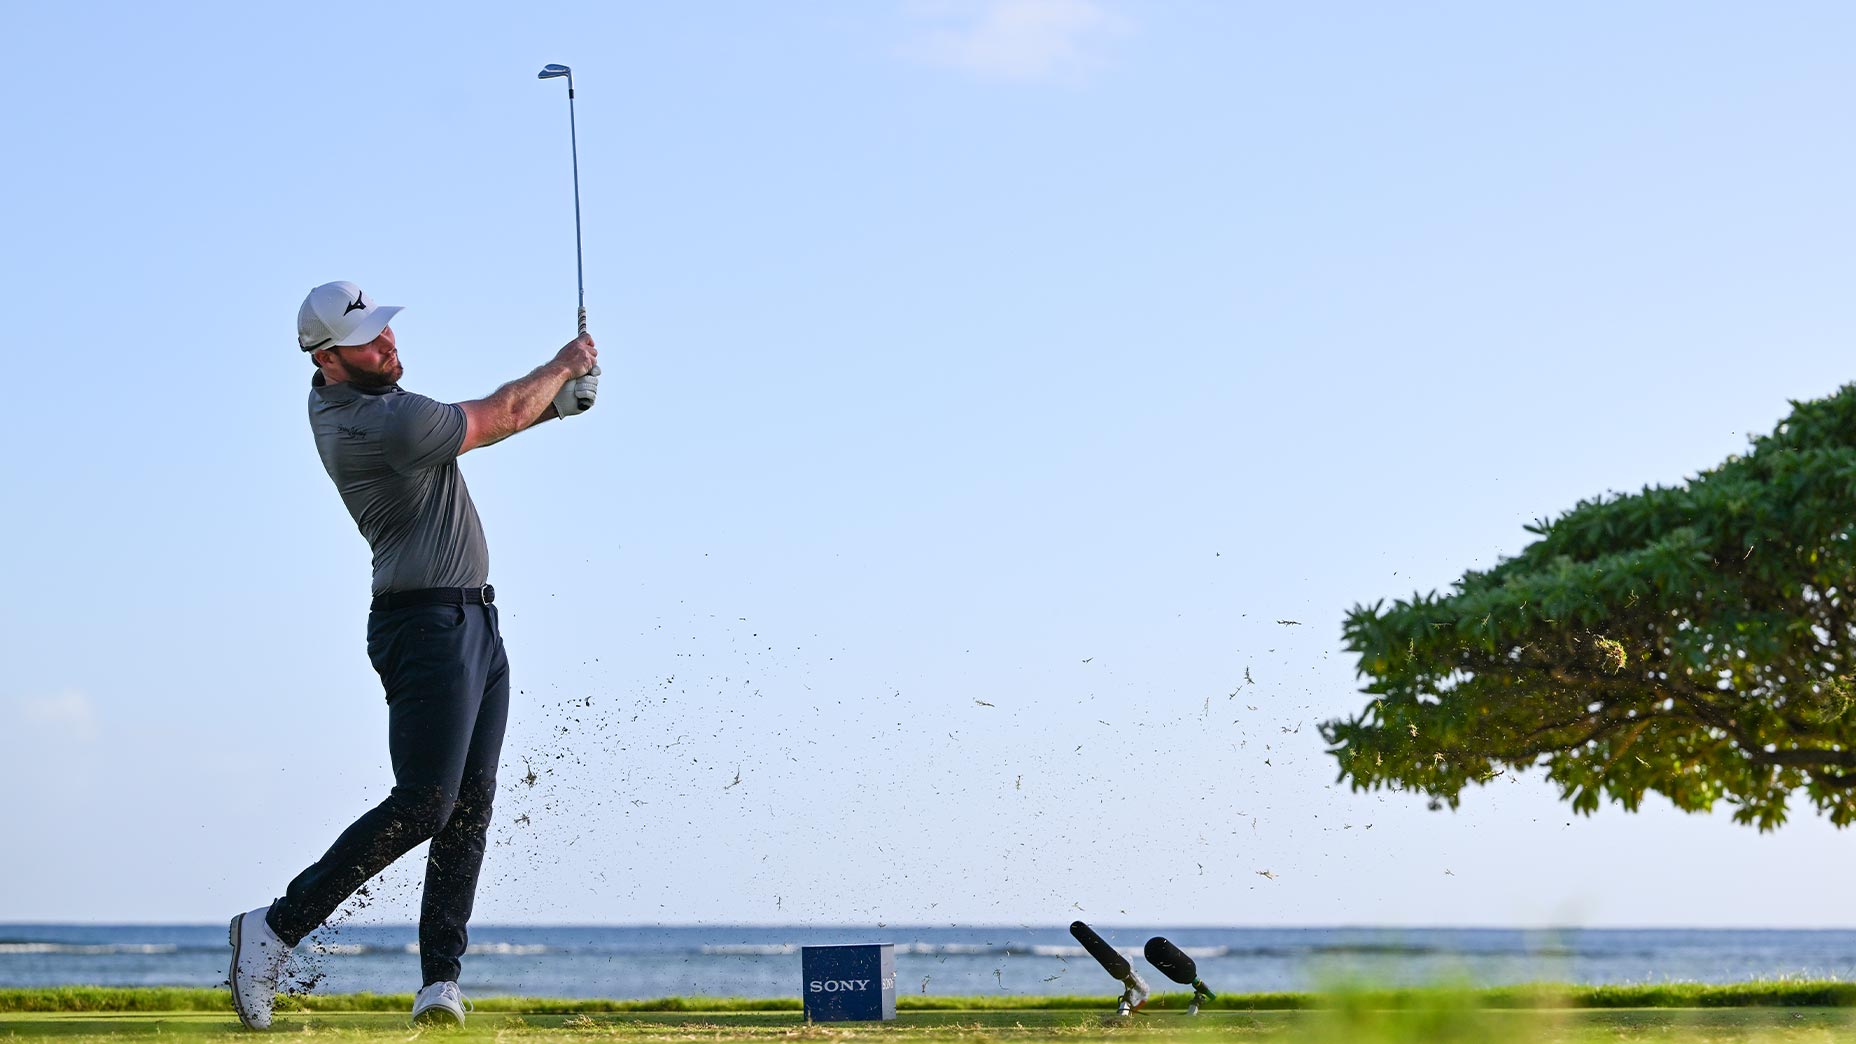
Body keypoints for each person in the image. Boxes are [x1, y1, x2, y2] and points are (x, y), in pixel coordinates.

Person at [227, 281, 600, 1030]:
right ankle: (275, 928)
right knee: (426, 802)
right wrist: (565, 365)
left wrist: (556, 402)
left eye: (386, 331)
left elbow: (489, 423)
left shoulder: (372, 405)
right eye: (370, 340)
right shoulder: (379, 422)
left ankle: (440, 980)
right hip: (426, 627)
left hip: (471, 624)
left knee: (469, 805)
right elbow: (493, 417)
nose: (390, 344)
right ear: (329, 359)